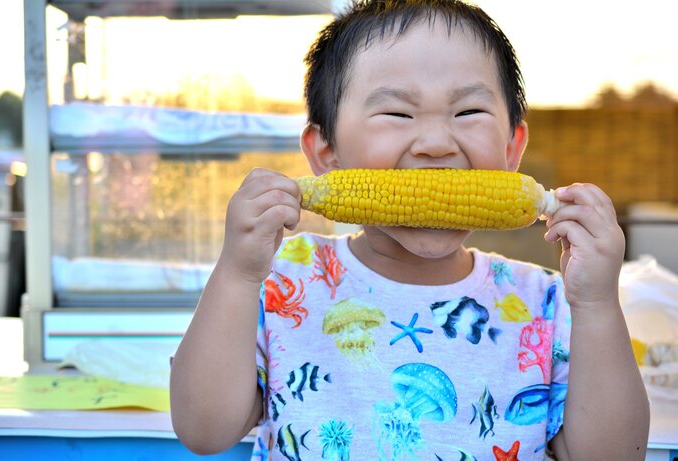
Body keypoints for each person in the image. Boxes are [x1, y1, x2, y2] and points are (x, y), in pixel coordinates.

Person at [170, 1, 650, 459]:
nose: (436, 143)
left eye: (468, 113)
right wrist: (236, 274)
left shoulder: (547, 303)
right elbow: (204, 430)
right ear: (326, 153)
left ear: (511, 148)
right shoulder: (285, 282)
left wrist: (598, 304)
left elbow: (610, 455)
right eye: (398, 113)